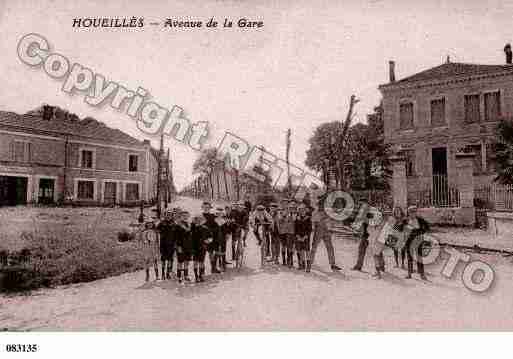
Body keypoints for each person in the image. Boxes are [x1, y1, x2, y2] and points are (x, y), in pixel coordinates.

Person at [307, 194, 342, 272]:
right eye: (321, 204)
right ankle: (310, 262)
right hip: (318, 230)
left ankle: (332, 264)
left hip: (326, 231)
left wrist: (330, 225)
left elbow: (332, 220)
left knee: (330, 247)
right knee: (314, 247)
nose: (322, 205)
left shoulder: (328, 211)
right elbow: (313, 221)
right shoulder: (315, 212)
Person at [405, 205, 430, 280]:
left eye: (414, 212)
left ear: (416, 212)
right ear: (408, 213)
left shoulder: (420, 220)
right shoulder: (406, 220)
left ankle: (422, 274)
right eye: (411, 212)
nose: (412, 213)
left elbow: (427, 228)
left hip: (418, 240)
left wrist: (420, 232)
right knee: (409, 257)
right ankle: (409, 274)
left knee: (419, 258)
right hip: (409, 241)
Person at [201, 201, 221, 274]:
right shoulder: (200, 216)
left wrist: (212, 231)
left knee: (211, 253)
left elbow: (218, 225)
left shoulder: (212, 216)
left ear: (210, 208)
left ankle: (213, 267)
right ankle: (201, 270)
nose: (206, 209)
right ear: (202, 208)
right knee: (202, 255)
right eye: (205, 207)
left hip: (211, 237)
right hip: (202, 238)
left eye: (208, 207)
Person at [276, 203, 296, 268]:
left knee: (289, 247)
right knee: (284, 246)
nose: (290, 209)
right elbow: (279, 223)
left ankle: (290, 261)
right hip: (283, 233)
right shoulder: (281, 214)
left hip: (290, 233)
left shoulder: (293, 215)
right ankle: (284, 261)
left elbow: (293, 224)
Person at [157, 210, 176, 280]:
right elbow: (156, 230)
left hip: (171, 244)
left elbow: (176, 234)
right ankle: (162, 273)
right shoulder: (161, 223)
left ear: (172, 216)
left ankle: (168, 273)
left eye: (170, 215)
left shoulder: (174, 223)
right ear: (165, 215)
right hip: (163, 244)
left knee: (170, 259)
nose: (168, 216)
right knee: (163, 259)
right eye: (167, 214)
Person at [175, 210, 192, 283]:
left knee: (187, 261)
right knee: (180, 261)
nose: (185, 217)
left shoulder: (190, 224)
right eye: (183, 216)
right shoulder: (178, 225)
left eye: (186, 216)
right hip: (181, 246)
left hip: (188, 246)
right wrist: (178, 246)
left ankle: (186, 275)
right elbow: (176, 237)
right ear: (181, 216)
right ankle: (179, 276)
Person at [191, 215, 210, 282]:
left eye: (200, 220)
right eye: (197, 220)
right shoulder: (192, 228)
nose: (198, 221)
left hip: (202, 247)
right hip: (194, 247)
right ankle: (196, 276)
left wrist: (208, 241)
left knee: (202, 262)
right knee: (195, 262)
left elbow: (210, 237)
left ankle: (201, 276)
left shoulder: (205, 228)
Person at [295, 203, 312, 270]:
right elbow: (295, 228)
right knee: (301, 250)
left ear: (305, 210)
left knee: (307, 251)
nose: (302, 211)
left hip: (306, 237)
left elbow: (310, 229)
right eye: (300, 210)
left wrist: (305, 237)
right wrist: (298, 236)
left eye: (303, 210)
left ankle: (308, 266)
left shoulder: (308, 218)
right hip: (299, 236)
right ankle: (302, 265)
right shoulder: (297, 218)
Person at [214, 206, 230, 272]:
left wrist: (227, 235)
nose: (219, 214)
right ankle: (214, 267)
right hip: (216, 237)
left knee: (223, 250)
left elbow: (227, 229)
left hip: (223, 237)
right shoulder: (214, 221)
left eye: (221, 213)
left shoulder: (224, 221)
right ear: (216, 214)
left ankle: (223, 265)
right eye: (218, 213)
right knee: (217, 251)